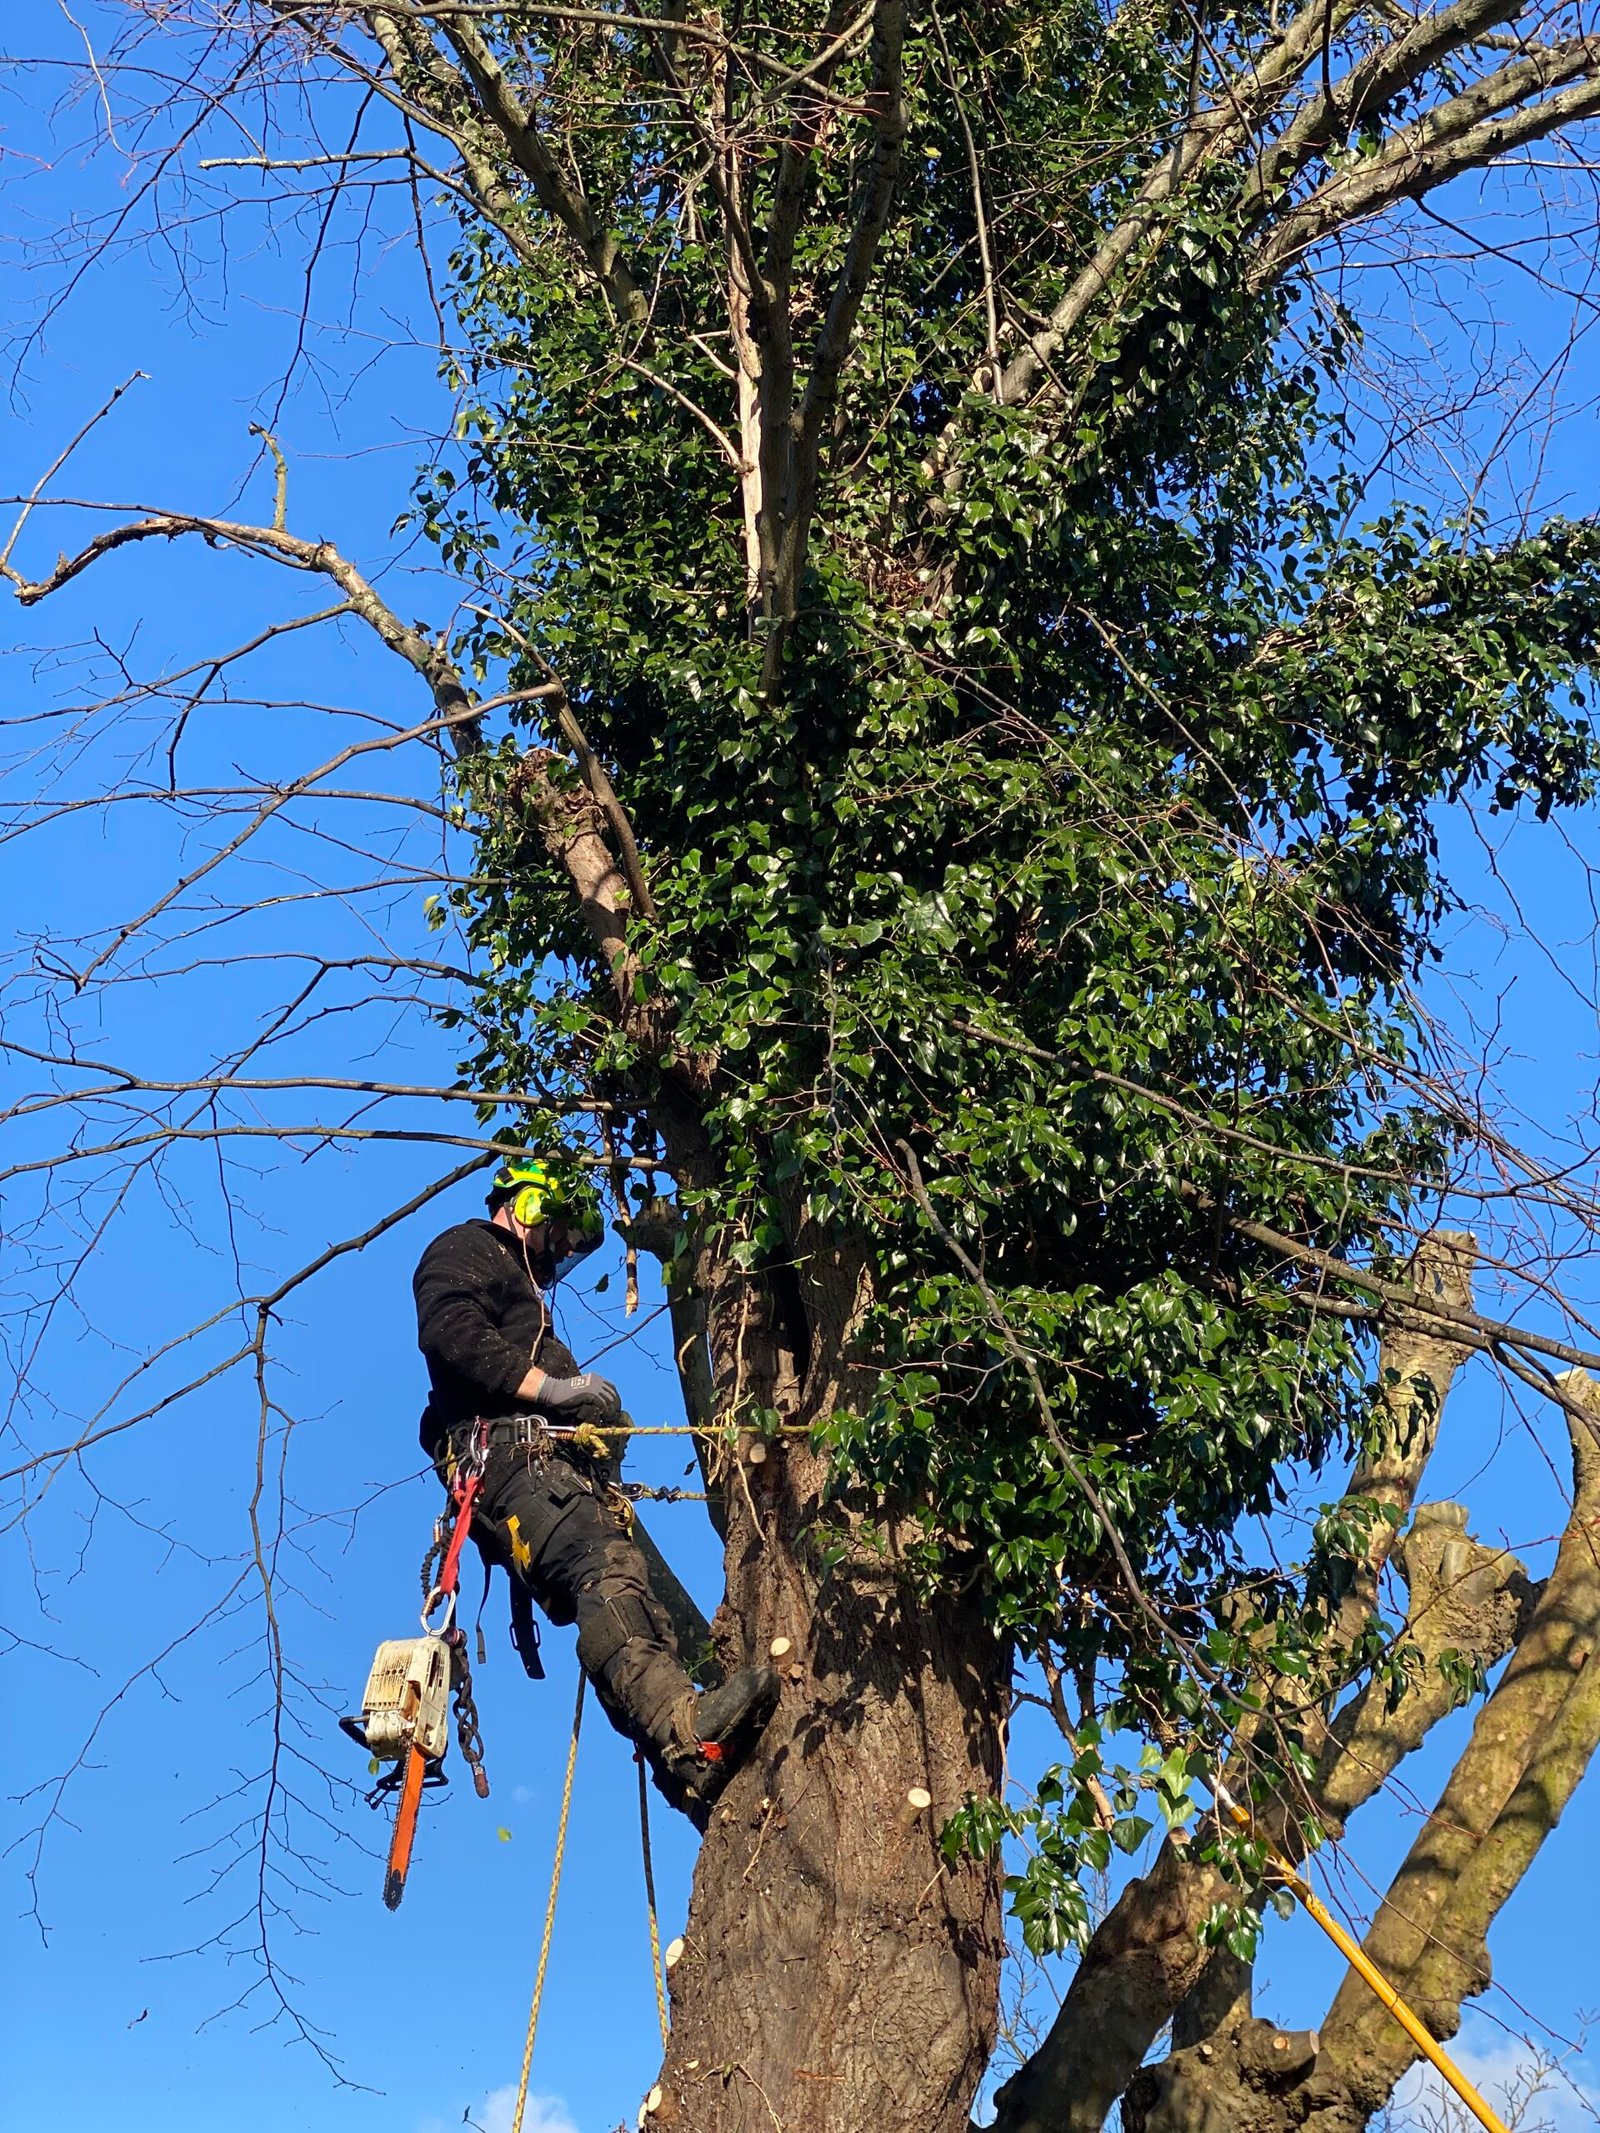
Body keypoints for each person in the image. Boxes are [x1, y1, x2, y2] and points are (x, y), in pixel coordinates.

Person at [412, 1150, 777, 1820]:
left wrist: (596, 1430)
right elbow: (450, 1333)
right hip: (509, 1466)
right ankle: (687, 1733)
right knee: (604, 1575)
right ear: (527, 1207)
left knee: (636, 1605)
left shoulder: (526, 1296)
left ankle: (689, 1769)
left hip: (543, 1469)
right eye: (554, 1239)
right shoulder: (465, 1250)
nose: (553, 1262)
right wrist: (553, 1388)